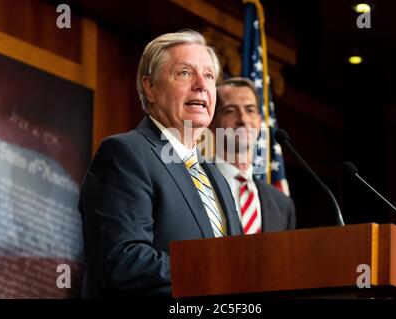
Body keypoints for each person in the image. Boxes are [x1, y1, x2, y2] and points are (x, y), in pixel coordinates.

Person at [78, 30, 242, 298]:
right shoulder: (125, 154)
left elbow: (240, 264)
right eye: (185, 73)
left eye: (209, 76)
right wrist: (215, 273)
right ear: (150, 88)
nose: (201, 84)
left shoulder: (216, 176)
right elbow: (123, 260)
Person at [209, 77, 296, 234]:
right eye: (230, 110)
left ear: (259, 121)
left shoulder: (283, 204)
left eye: (250, 110)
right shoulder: (197, 184)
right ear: (212, 123)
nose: (243, 119)